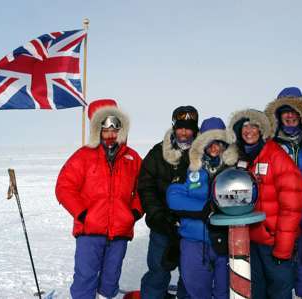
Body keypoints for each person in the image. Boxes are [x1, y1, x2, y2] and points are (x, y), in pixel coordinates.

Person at [55, 99, 143, 299]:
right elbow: (64, 187)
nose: (111, 135)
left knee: (111, 279)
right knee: (85, 277)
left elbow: (143, 189)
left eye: (115, 129)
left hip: (120, 230)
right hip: (89, 231)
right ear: (97, 130)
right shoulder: (83, 156)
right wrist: (83, 213)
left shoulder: (132, 158)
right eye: (105, 130)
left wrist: (134, 212)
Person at [228, 109, 302, 299]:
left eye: (254, 126)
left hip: (274, 242)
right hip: (251, 240)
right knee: (257, 291)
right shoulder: (243, 159)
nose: (249, 131)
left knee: (279, 291)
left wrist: (283, 248)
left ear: (262, 130)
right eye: (244, 127)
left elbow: (291, 207)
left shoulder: (277, 158)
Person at [166, 117, 238, 299]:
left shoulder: (235, 168)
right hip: (194, 240)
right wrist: (205, 207)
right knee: (196, 289)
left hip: (227, 241)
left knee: (226, 291)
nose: (214, 148)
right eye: (209, 143)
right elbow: (173, 197)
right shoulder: (189, 166)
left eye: (219, 143)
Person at [138, 106, 199, 299]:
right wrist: (157, 215)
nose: (183, 131)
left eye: (188, 127)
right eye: (180, 127)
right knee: (157, 271)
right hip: (162, 226)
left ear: (195, 129)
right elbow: (146, 186)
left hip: (193, 227)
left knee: (191, 275)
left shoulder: (204, 153)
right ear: (173, 127)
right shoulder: (158, 152)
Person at [265, 87, 302, 299]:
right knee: (279, 267)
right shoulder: (269, 142)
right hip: (279, 218)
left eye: (294, 110)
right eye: (284, 111)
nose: (289, 115)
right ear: (277, 115)